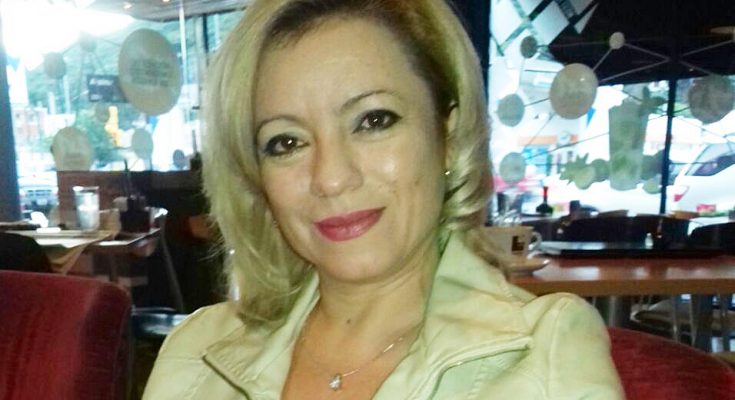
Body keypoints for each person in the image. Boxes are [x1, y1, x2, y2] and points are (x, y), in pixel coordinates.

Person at [143, 0, 624, 398]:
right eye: (286, 142)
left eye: (374, 121)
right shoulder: (195, 352)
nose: (331, 178)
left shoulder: (547, 354)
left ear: (447, 136)